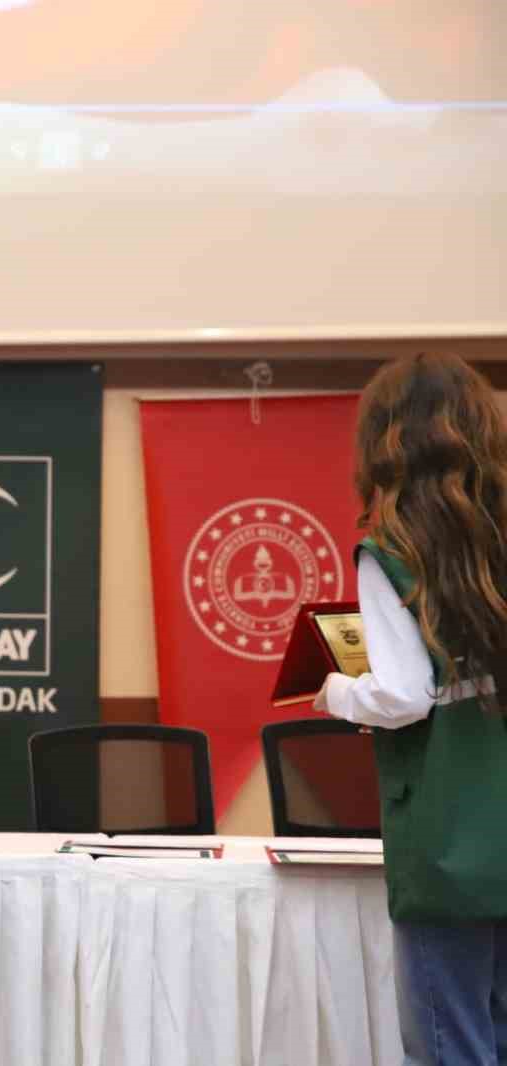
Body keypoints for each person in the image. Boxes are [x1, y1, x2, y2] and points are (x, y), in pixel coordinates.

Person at [317, 351, 507, 1066]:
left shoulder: (392, 549)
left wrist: (336, 690)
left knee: (448, 1043)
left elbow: (399, 696)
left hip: (449, 835)